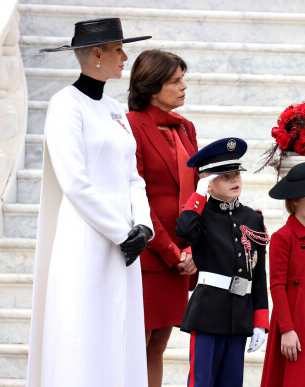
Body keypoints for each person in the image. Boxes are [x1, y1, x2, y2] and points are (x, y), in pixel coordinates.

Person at [26, 18, 154, 387]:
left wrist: (141, 226)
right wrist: (120, 231)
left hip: (126, 240)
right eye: (118, 50)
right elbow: (74, 181)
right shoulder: (65, 105)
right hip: (86, 235)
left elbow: (133, 175)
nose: (125, 57)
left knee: (121, 332)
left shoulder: (115, 109)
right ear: (96, 54)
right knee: (84, 331)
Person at [126, 49, 199, 387]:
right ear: (153, 87)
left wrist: (192, 250)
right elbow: (135, 197)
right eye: (175, 81)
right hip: (149, 254)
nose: (184, 86)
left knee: (157, 348)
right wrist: (172, 252)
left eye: (182, 78)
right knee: (133, 346)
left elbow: (197, 192)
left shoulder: (186, 128)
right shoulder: (130, 126)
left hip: (182, 256)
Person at [175, 138, 269, 387]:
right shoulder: (201, 213)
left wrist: (260, 321)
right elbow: (184, 230)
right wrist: (198, 194)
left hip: (240, 313)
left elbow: (259, 274)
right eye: (225, 176)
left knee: (231, 381)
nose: (235, 180)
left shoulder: (252, 218)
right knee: (202, 380)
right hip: (208, 311)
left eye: (236, 173)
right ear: (209, 181)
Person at [260, 161, 305, 387]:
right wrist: (287, 330)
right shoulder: (283, 237)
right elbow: (277, 286)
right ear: (295, 201)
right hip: (296, 323)